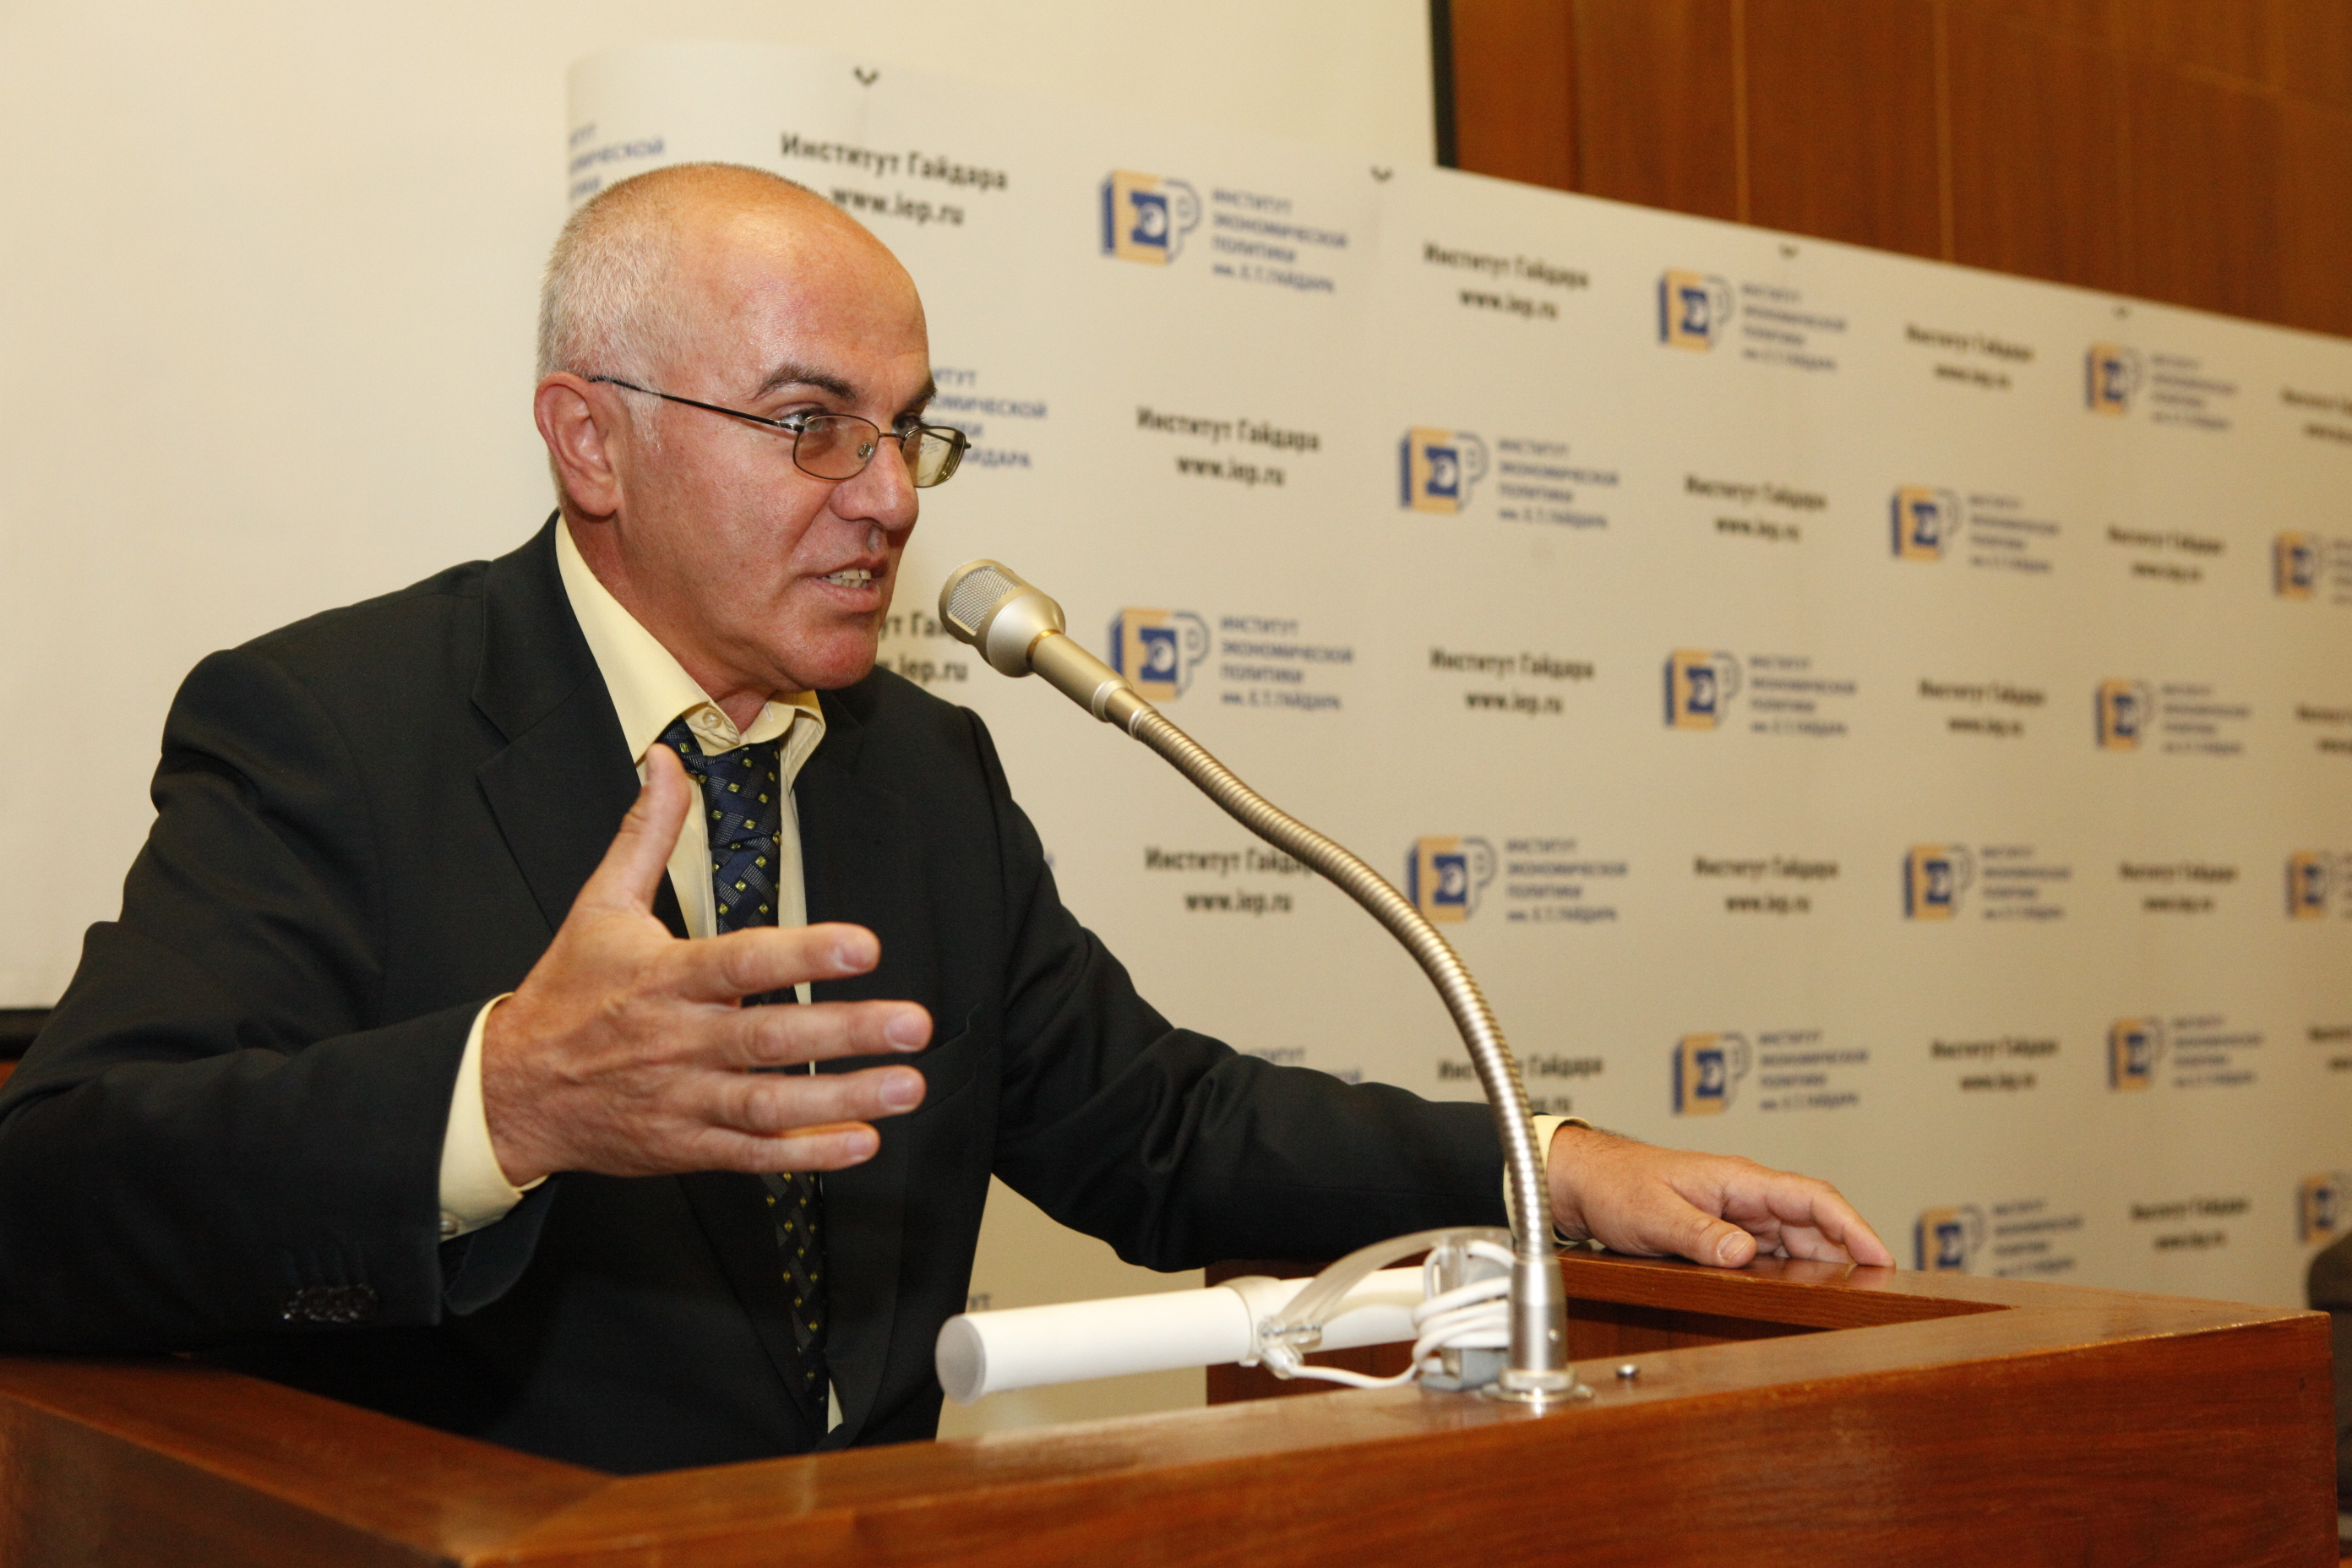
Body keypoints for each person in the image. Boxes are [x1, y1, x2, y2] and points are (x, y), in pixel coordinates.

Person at [0, 163, 1892, 1475]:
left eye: (909, 429)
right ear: (591, 439)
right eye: (812, 425)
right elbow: (56, 1190)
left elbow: (1162, 1127)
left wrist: (1546, 1166)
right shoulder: (333, 726)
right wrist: (502, 1099)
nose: (893, 497)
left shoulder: (922, 769)